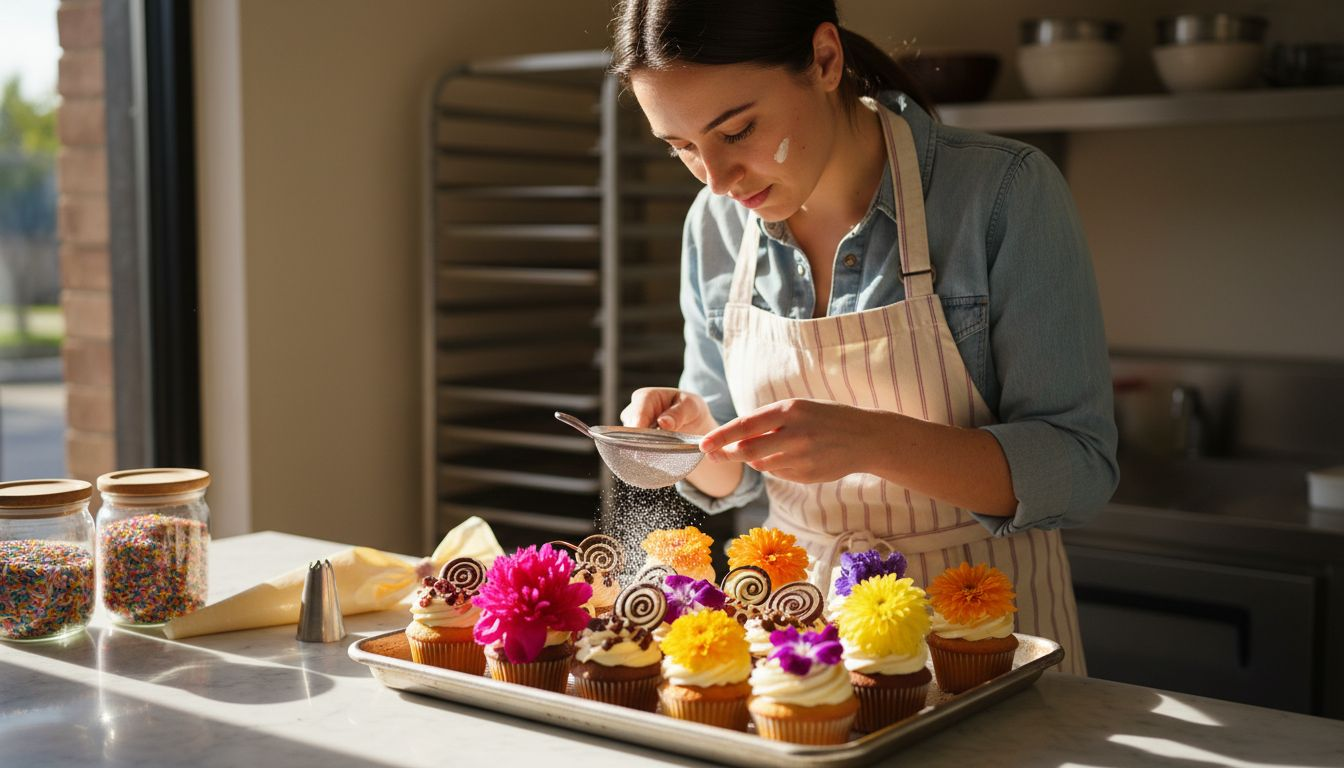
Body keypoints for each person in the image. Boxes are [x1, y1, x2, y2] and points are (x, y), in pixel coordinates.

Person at [611, 0, 1117, 676]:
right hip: (798, 643)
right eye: (682, 149)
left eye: (736, 132)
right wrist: (692, 436)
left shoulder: (1000, 194)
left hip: (988, 637)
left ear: (825, 60)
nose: (717, 180)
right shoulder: (714, 227)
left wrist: (872, 441)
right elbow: (730, 476)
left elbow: (1080, 468)